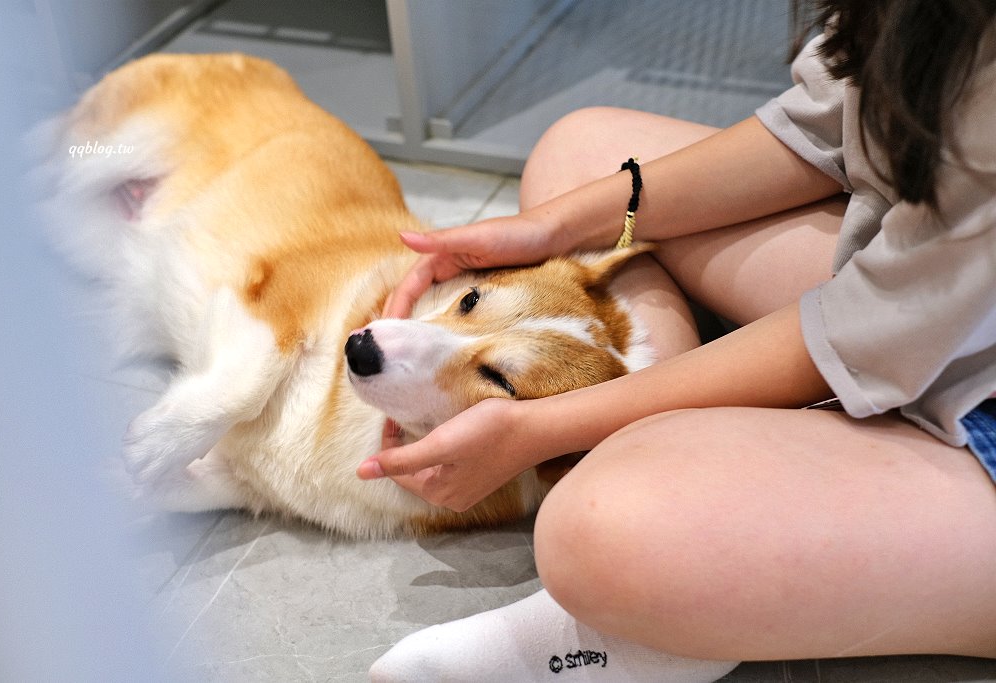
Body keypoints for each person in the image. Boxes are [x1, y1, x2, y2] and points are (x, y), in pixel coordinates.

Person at [360, 1, 996, 680]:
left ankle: (699, 569)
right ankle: (749, 495)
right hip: (931, 290)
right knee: (578, 160)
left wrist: (539, 426)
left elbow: (862, 333)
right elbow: (826, 122)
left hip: (961, 376)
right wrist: (554, 227)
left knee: (601, 532)